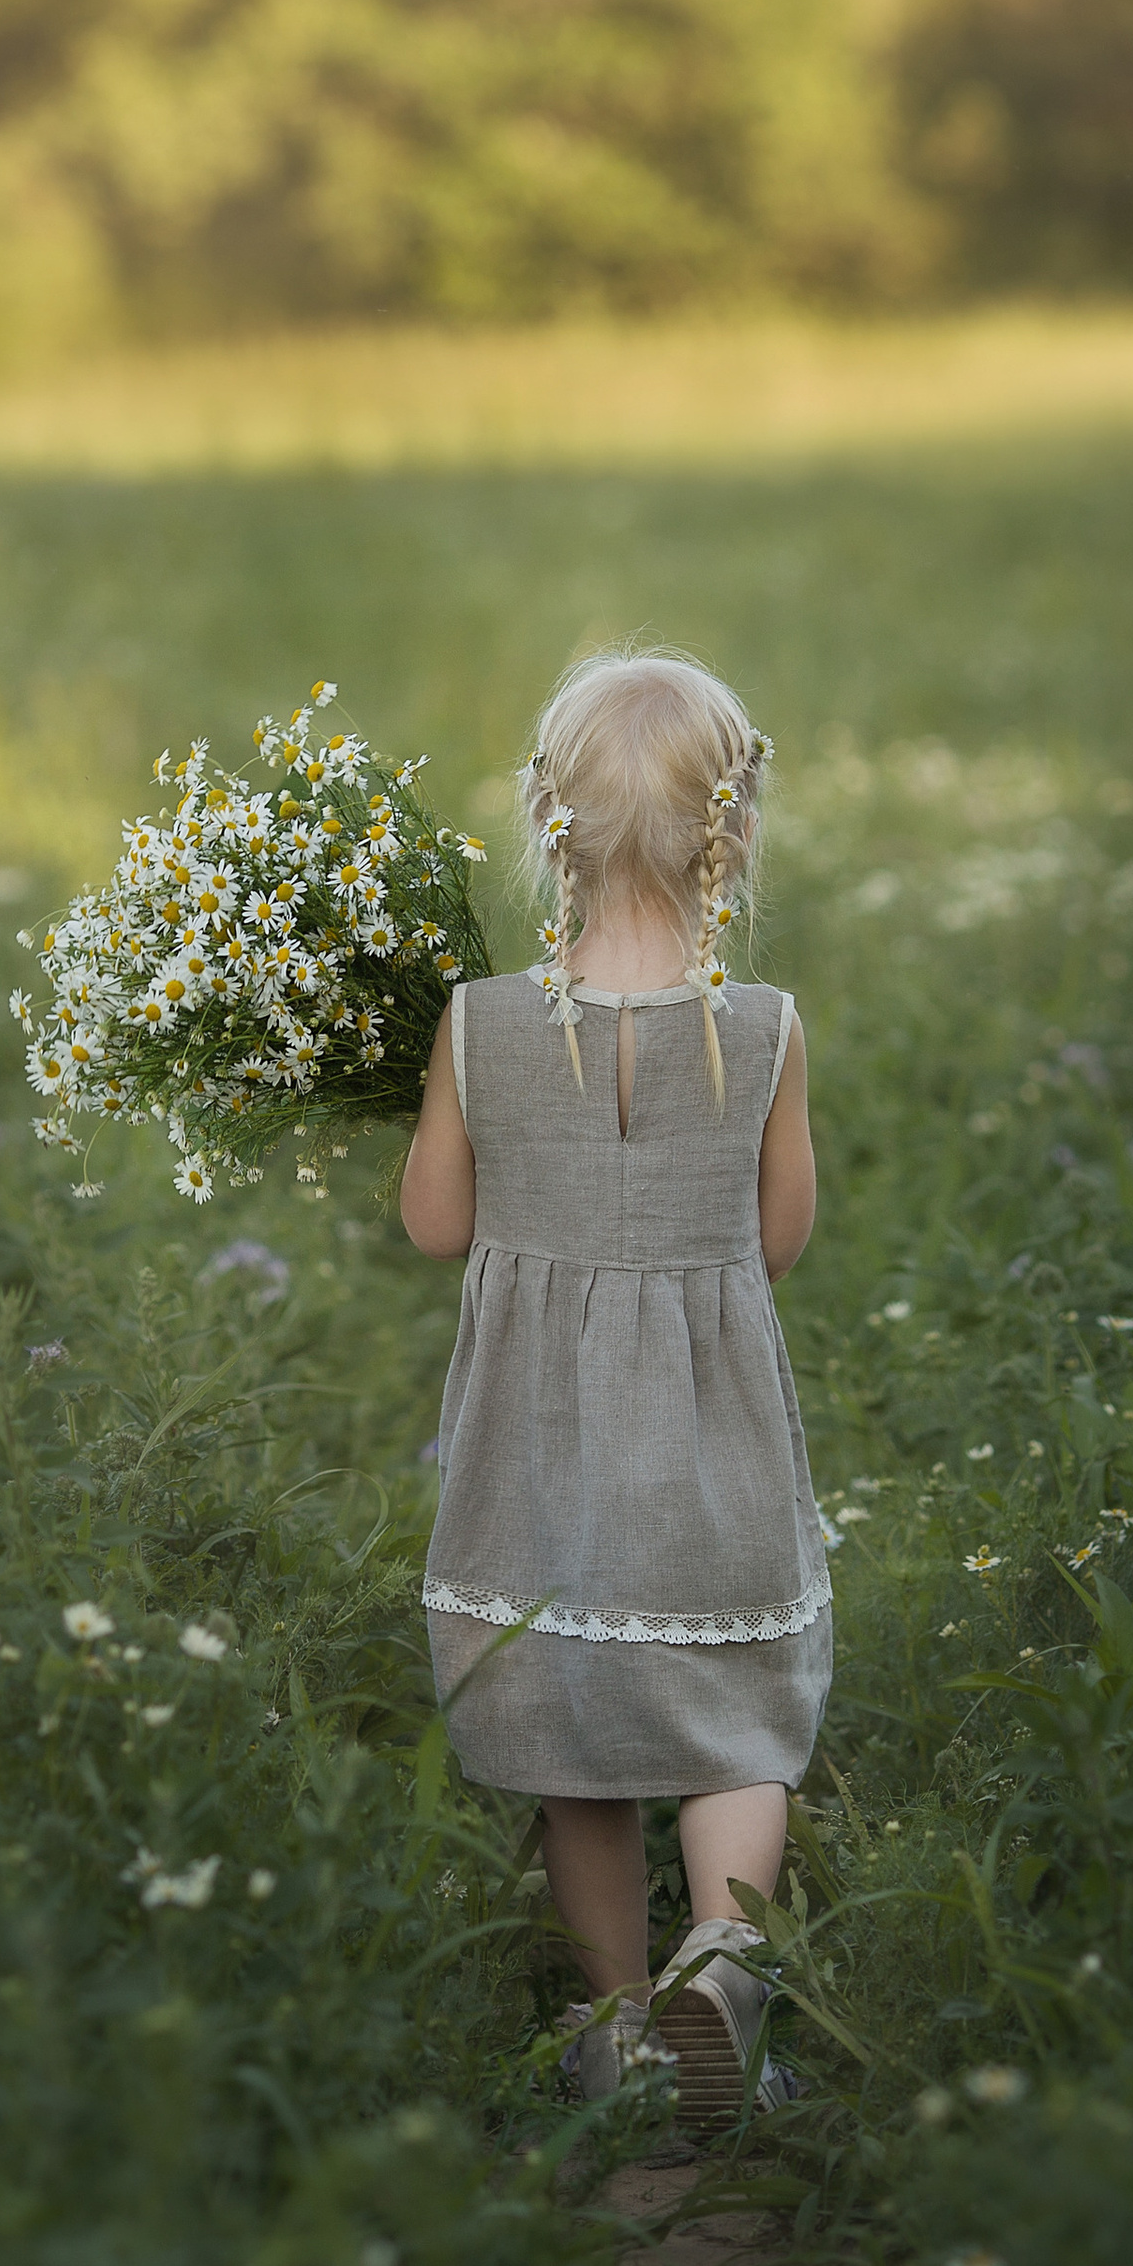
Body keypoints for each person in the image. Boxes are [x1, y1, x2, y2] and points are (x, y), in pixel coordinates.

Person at [399, 645, 827, 2123]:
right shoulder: (762, 1027)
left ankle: (620, 2033)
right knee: (737, 1723)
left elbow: (435, 1227)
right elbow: (779, 1241)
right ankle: (729, 1960)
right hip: (715, 1451)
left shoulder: (479, 1025)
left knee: (575, 1736)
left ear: (547, 826)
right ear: (733, 830)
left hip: (542, 1451)